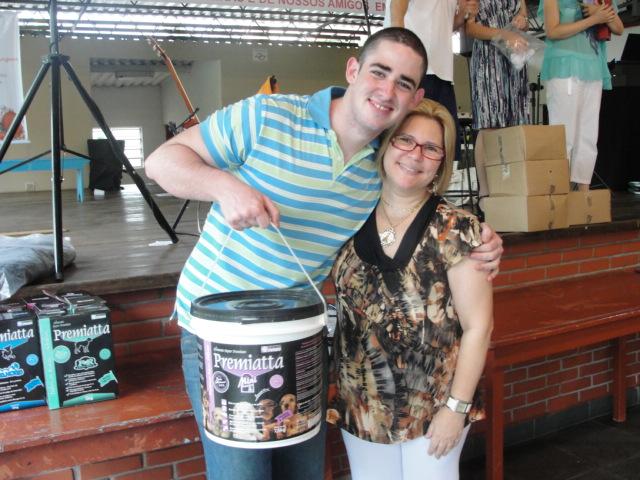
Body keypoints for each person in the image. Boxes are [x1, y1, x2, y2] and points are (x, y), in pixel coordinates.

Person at [145, 27, 503, 480]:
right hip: (224, 334)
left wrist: (480, 238)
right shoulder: (267, 115)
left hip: (301, 333)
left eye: (404, 82)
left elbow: (421, 208)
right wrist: (224, 187)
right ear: (353, 70)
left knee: (304, 472)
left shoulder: (381, 163)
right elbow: (160, 162)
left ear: (415, 98)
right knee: (242, 473)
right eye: (379, 72)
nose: (387, 90)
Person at [327, 99, 493, 479]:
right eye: (405, 140)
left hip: (433, 407)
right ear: (386, 145)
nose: (415, 155)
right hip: (361, 404)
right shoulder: (348, 217)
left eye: (431, 148)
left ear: (441, 163)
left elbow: (479, 327)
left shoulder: (457, 228)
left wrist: (456, 408)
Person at [538, 0, 623, 191]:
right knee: (564, 135)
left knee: (588, 136)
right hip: (565, 67)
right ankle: (560, 192)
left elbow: (618, 28)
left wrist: (599, 12)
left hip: (593, 68)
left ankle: (584, 195)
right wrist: (594, 19)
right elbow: (552, 31)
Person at [385, 0, 479, 162]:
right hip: (410, 67)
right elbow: (398, 5)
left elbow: (447, 25)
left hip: (442, 71)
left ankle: (442, 178)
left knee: (445, 142)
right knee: (406, 137)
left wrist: (462, 12)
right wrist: (399, 46)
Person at [465, 0, 530, 197]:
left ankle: (510, 190)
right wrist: (503, 34)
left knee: (515, 125)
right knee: (489, 125)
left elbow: (524, 17)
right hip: (488, 58)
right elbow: (470, 27)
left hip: (514, 58)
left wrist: (521, 21)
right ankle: (485, 193)